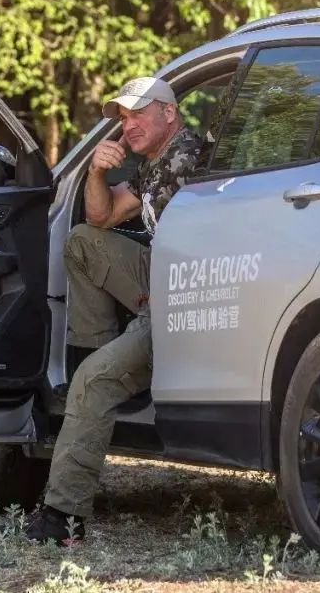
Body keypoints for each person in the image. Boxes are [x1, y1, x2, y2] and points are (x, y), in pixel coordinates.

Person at [21, 76, 203, 544]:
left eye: (139, 113)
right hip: (164, 277)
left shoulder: (188, 157)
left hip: (186, 298)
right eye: (123, 118)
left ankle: (63, 518)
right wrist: (96, 172)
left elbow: (188, 249)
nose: (129, 124)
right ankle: (92, 361)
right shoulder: (154, 164)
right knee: (82, 241)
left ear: (169, 112)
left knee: (95, 381)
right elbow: (100, 218)